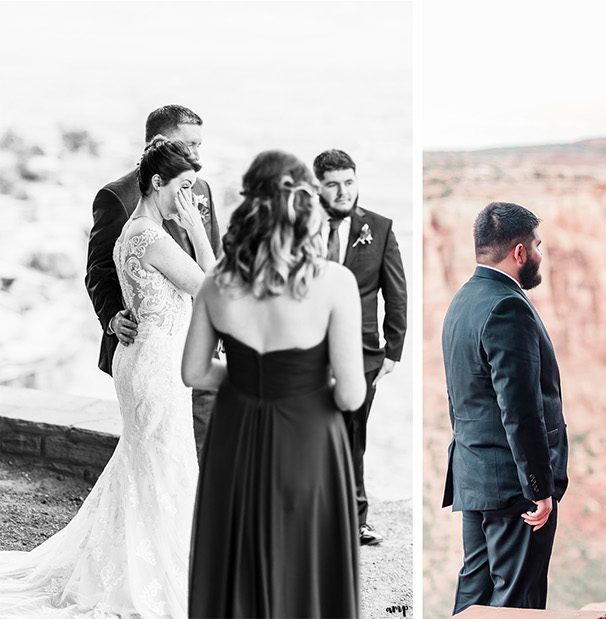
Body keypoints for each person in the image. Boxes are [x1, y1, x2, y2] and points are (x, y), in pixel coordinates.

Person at [0, 137, 211, 618]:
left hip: (148, 362)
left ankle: (145, 562)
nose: (189, 200)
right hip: (155, 368)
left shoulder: (139, 231)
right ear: (157, 184)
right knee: (164, 467)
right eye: (182, 189)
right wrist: (198, 230)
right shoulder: (150, 238)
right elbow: (211, 290)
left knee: (147, 469)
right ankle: (157, 574)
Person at [183, 150, 365, 618]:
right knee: (304, 561)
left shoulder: (217, 283)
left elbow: (195, 373)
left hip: (236, 431)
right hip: (308, 438)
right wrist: (300, 380)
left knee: (236, 553)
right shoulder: (334, 283)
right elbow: (350, 394)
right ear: (306, 206)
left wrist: (248, 379)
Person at [441, 201, 568, 613]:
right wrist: (538, 488)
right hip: (513, 487)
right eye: (538, 245)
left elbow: (460, 396)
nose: (540, 255)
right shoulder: (508, 307)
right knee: (517, 602)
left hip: (474, 474)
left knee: (474, 595)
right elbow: (520, 409)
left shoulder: (463, 301)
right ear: (519, 252)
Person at [85, 104, 221, 463]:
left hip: (198, 338)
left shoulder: (199, 186)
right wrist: (114, 316)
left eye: (199, 145)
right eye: (189, 145)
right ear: (159, 142)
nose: (196, 156)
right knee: (159, 453)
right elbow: (99, 270)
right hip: (153, 348)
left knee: (199, 447)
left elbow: (216, 253)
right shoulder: (118, 197)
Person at [314, 148, 407, 546]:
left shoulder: (380, 228)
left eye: (349, 183)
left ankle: (357, 519)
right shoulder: (300, 228)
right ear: (317, 186)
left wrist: (392, 350)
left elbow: (396, 291)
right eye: (333, 185)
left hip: (363, 353)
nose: (342, 192)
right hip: (309, 351)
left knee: (353, 435)